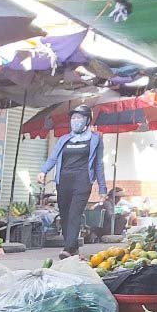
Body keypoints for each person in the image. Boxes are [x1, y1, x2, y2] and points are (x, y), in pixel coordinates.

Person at [38, 104, 107, 258]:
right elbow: (53, 157)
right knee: (65, 214)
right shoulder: (64, 139)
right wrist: (43, 171)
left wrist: (102, 188)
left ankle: (68, 248)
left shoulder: (96, 139)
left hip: (82, 180)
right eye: (73, 118)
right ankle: (73, 246)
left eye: (79, 118)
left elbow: (99, 164)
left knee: (75, 213)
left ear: (87, 120)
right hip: (63, 180)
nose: (75, 121)